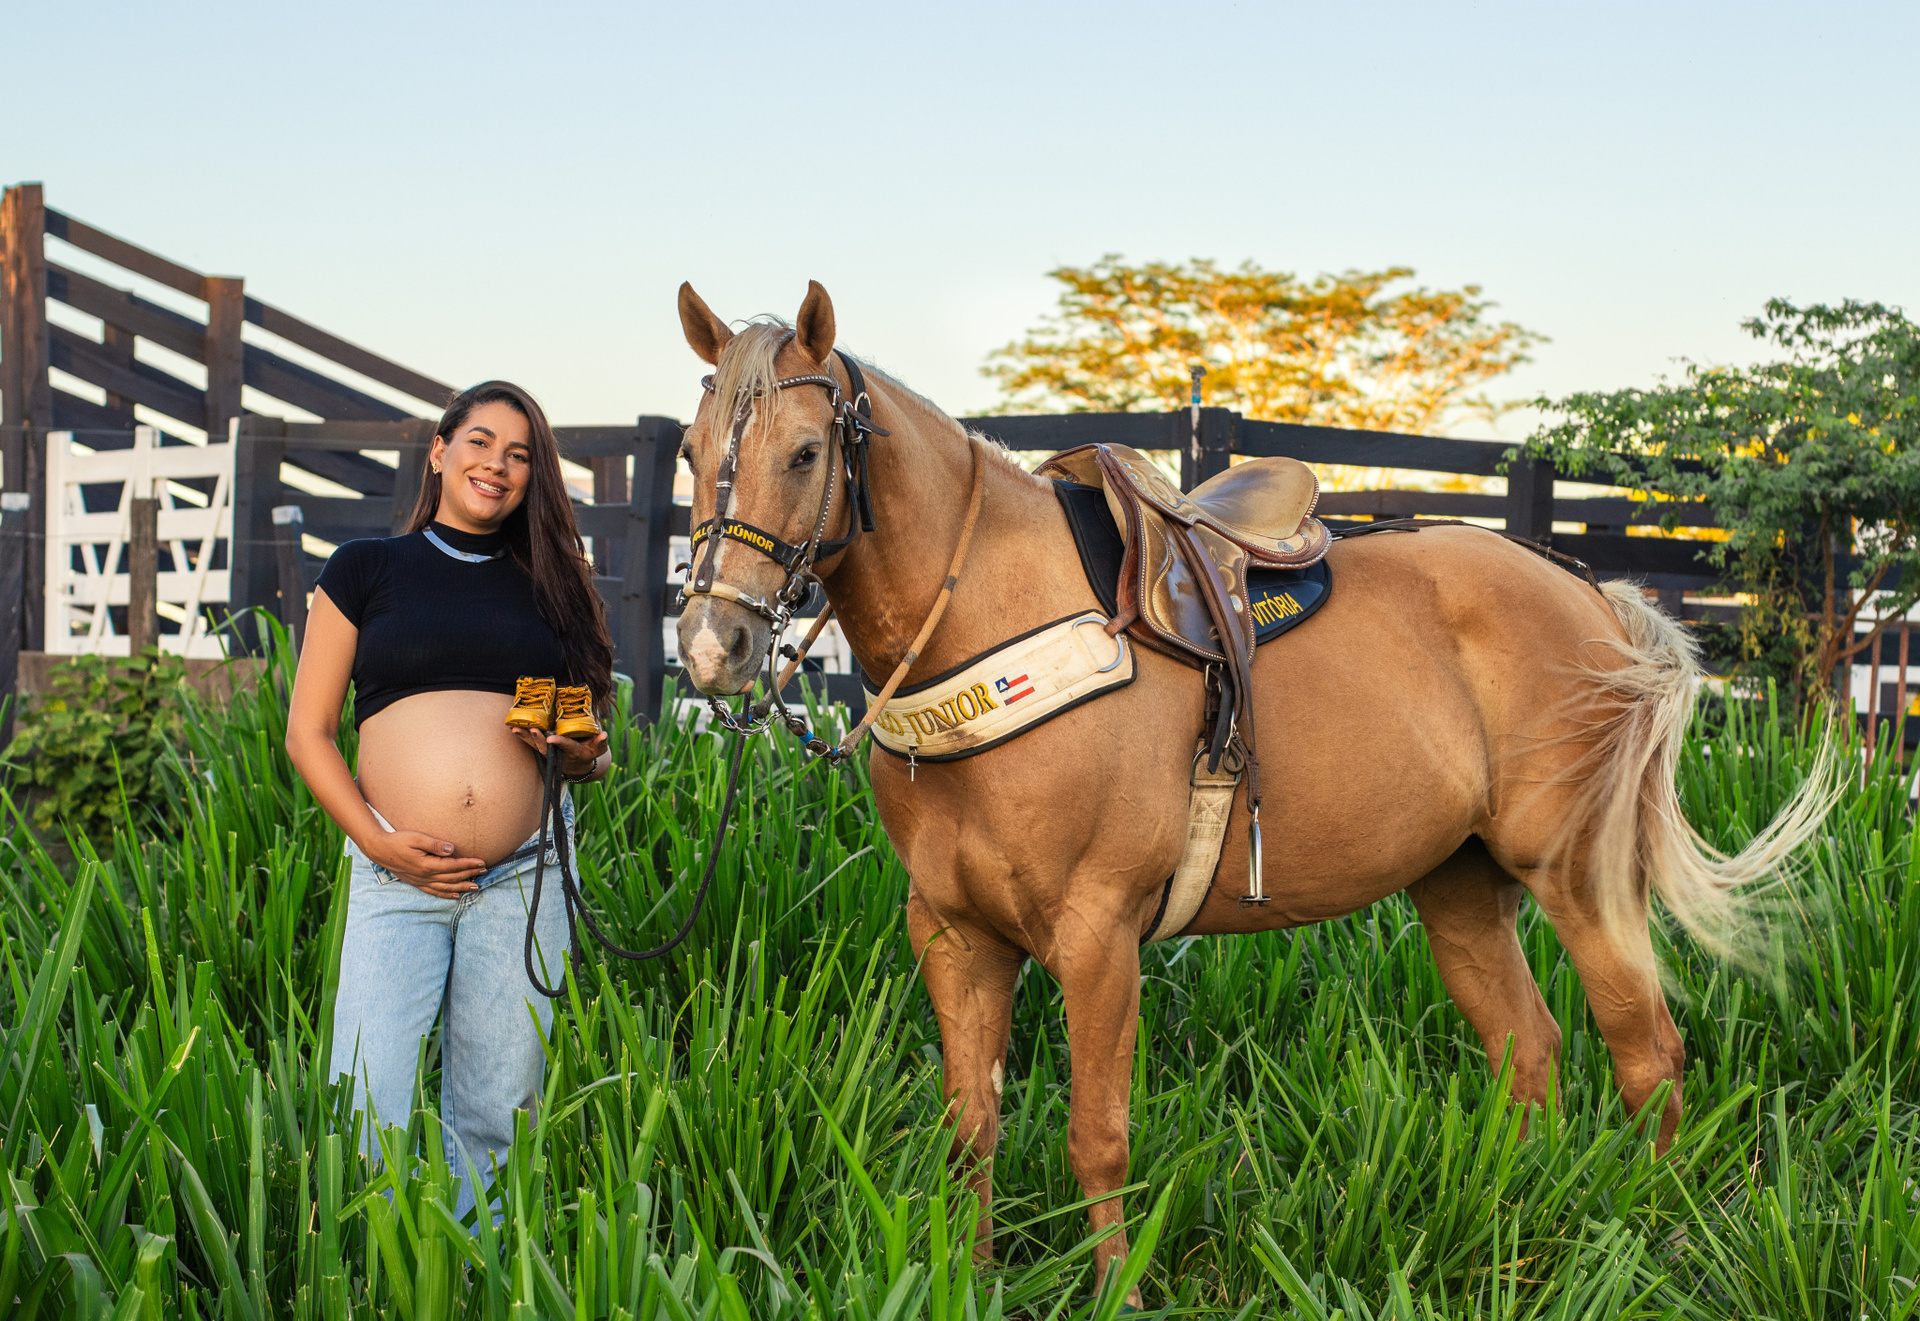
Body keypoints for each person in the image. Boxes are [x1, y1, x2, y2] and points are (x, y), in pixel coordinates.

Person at [286, 380, 613, 1216]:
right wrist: (377, 842)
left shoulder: (551, 584)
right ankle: (362, 1269)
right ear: (439, 450)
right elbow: (308, 732)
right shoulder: (366, 569)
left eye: (519, 455)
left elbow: (584, 741)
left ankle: (481, 1269)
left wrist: (583, 754)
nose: (497, 465)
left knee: (499, 1112)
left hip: (523, 874)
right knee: (365, 1098)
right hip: (395, 871)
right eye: (480, 442)